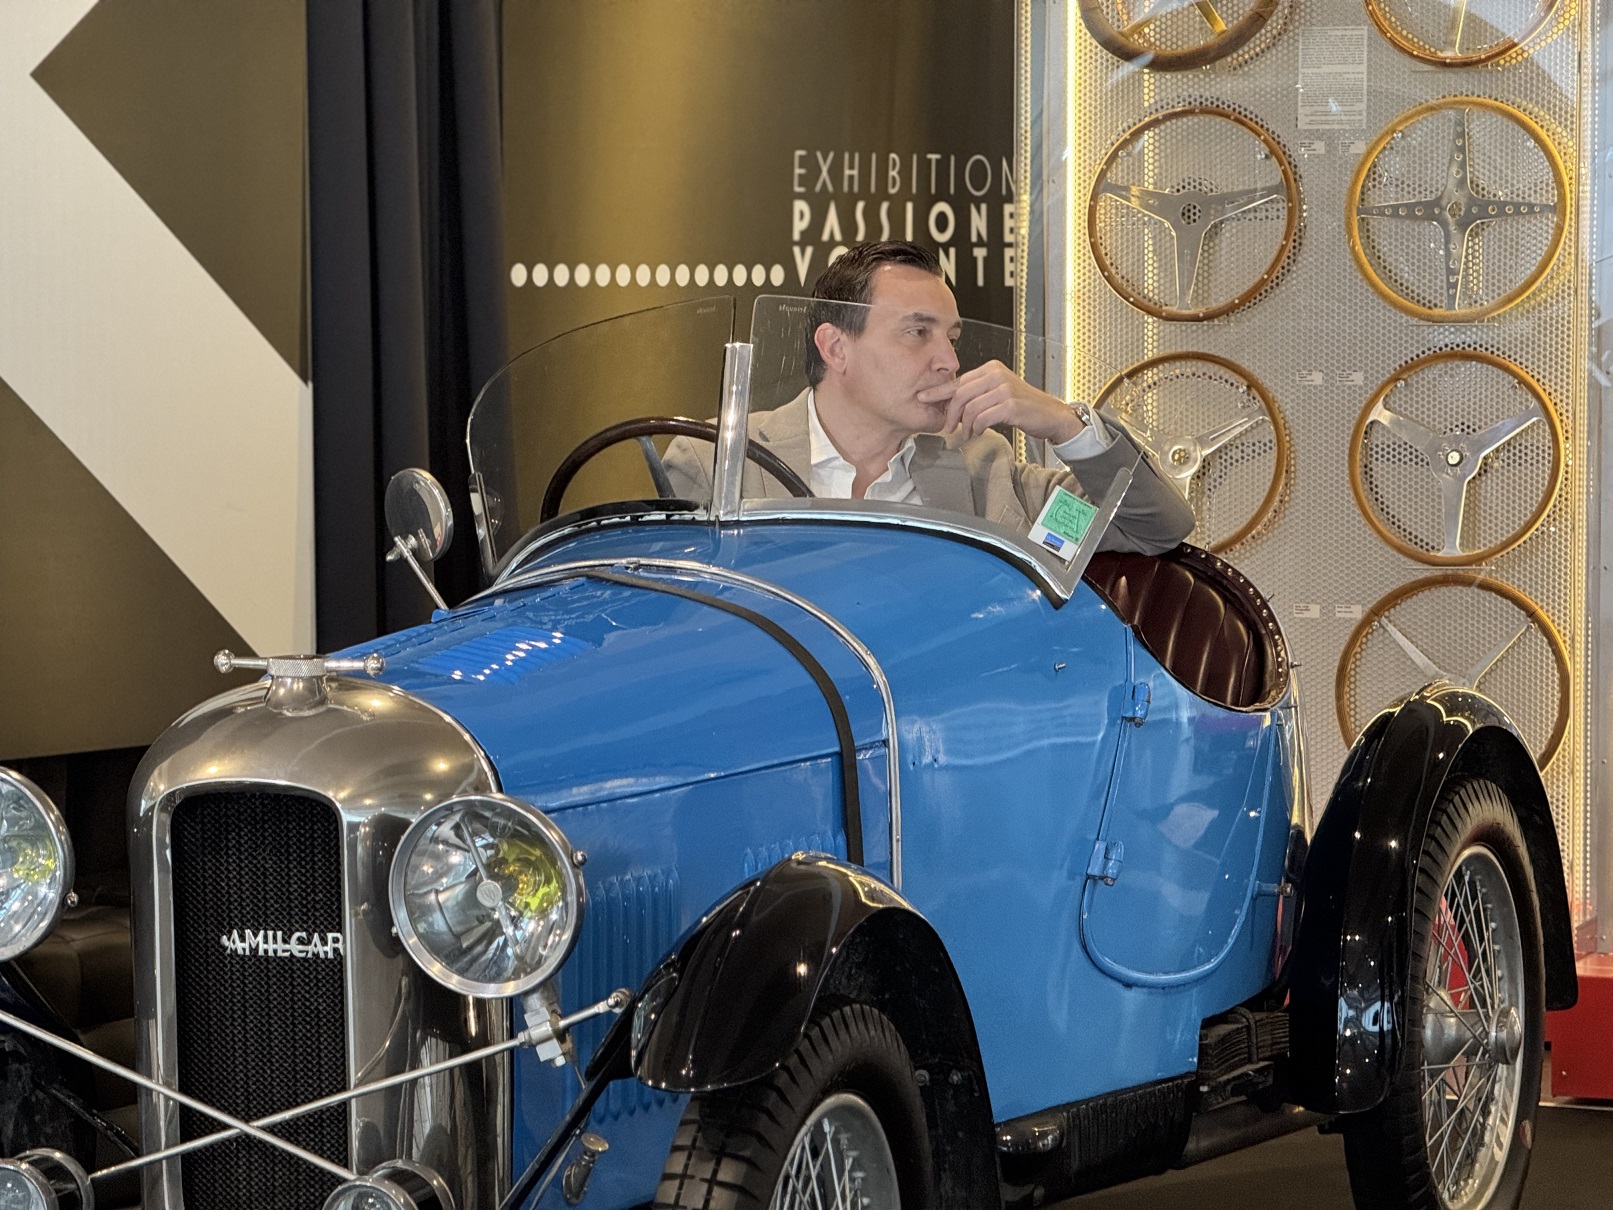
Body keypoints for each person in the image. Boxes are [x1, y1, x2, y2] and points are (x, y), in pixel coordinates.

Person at [664, 241, 1194, 555]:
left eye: (952, 338)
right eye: (918, 332)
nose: (949, 361)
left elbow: (1156, 528)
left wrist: (1065, 424)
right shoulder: (715, 460)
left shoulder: (983, 468)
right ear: (836, 348)